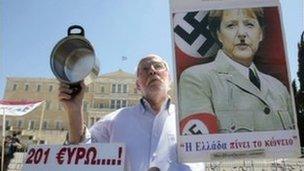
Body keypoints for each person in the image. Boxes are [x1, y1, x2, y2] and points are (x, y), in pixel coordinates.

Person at [59, 54, 203, 170]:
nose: (152, 70)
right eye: (144, 69)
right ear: (138, 85)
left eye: (158, 66)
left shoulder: (192, 119)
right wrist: (74, 111)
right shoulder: (113, 120)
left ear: (170, 79)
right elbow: (80, 152)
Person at [179, 8, 294, 134]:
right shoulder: (197, 79)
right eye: (231, 26)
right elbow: (200, 146)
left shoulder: (279, 88)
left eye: (249, 24)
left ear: (261, 34)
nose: (242, 33)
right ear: (218, 34)